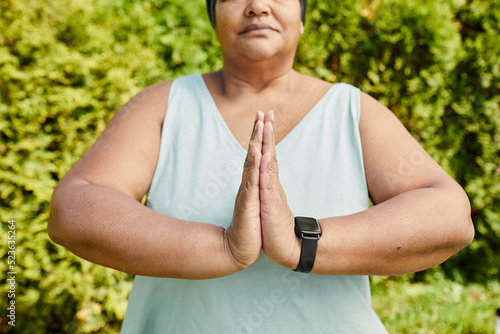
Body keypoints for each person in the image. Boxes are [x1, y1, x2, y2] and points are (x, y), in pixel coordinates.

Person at [47, 0, 474, 332]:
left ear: (302, 19)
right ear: (213, 16)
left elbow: (449, 214)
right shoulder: (164, 105)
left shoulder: (352, 110)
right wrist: (224, 247)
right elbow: (75, 206)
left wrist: (299, 244)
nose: (257, 5)